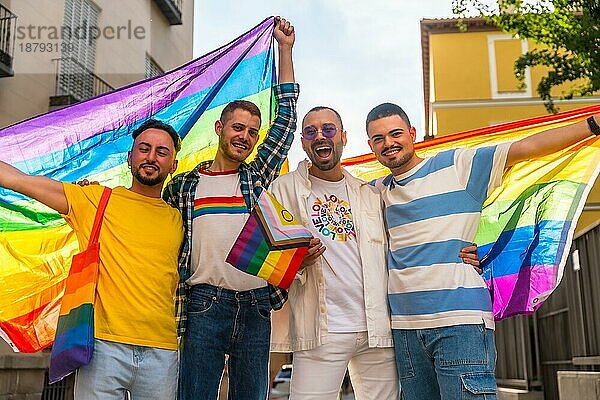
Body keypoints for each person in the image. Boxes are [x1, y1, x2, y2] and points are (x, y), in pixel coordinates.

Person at [365, 103, 600, 400]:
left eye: (395, 133)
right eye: (378, 138)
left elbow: (528, 147)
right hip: (405, 330)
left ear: (412, 134)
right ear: (371, 146)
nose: (389, 143)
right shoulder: (375, 193)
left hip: (460, 324)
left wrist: (592, 125)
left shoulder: (458, 165)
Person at [269, 106, 481, 400]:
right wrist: (297, 260)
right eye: (311, 131)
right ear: (303, 141)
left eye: (328, 129)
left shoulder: (371, 192)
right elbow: (263, 259)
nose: (320, 136)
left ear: (343, 137)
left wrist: (473, 247)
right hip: (321, 331)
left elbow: (416, 222)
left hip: (377, 328)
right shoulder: (282, 189)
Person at [162, 17, 298, 400]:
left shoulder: (257, 176)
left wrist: (285, 50)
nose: (246, 137)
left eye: (253, 132)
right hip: (203, 304)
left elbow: (287, 120)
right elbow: (155, 226)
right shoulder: (185, 185)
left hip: (256, 305)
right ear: (220, 128)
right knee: (195, 395)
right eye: (238, 128)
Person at [0, 119, 183, 399]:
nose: (151, 157)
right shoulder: (95, 200)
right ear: (129, 157)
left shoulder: (179, 218)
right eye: (144, 148)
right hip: (102, 349)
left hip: (163, 351)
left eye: (162, 152)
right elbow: (19, 181)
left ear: (174, 165)